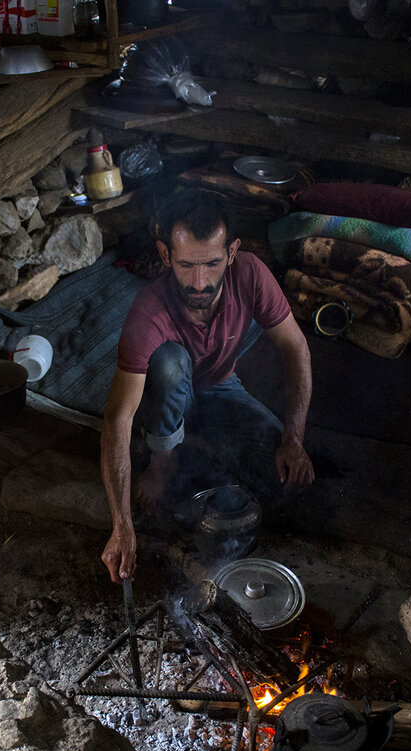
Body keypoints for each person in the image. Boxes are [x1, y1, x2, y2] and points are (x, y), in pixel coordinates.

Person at [99, 189, 315, 583]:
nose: (199, 282)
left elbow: (296, 347)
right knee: (168, 363)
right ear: (166, 256)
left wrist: (294, 439)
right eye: (186, 265)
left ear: (232, 252)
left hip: (220, 387)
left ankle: (192, 442)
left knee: (281, 475)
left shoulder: (250, 273)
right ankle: (164, 460)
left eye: (212, 263)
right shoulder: (148, 312)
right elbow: (117, 417)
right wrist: (122, 526)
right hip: (163, 397)